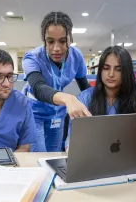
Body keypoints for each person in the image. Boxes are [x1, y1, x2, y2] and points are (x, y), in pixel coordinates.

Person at [22, 11, 91, 152]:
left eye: (63, 41)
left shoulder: (76, 56)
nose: (57, 48)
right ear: (44, 41)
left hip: (57, 112)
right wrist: (68, 98)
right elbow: (39, 88)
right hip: (34, 112)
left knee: (54, 154)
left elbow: (85, 88)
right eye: (50, 41)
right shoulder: (32, 58)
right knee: (39, 157)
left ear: (70, 39)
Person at [65, 46, 136, 151]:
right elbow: (72, 140)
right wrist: (71, 150)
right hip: (90, 161)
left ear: (126, 72)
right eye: (106, 68)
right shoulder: (84, 100)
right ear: (100, 71)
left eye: (118, 69)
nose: (111, 74)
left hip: (126, 162)